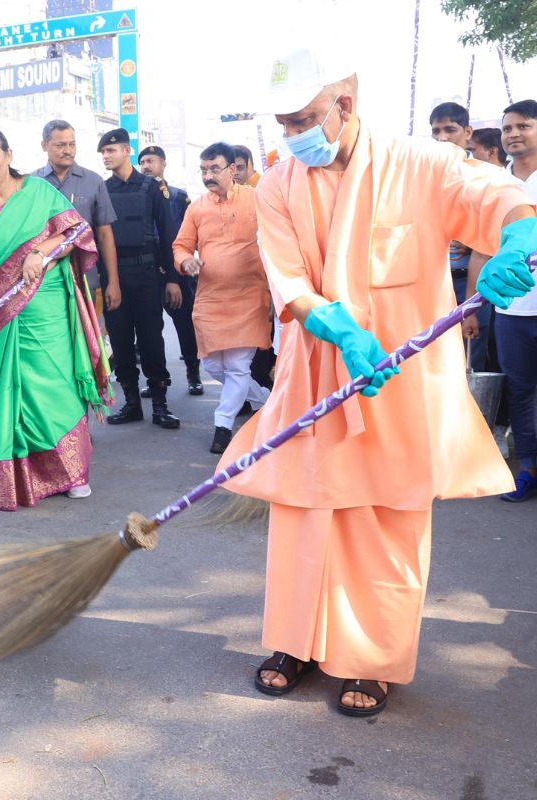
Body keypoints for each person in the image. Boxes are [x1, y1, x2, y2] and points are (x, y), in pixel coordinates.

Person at [224, 46, 534, 717]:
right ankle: (296, 642)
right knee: (302, 513)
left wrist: (518, 238)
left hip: (400, 383)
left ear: (345, 104)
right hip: (316, 374)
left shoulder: (419, 163)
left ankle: (371, 660)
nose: (292, 134)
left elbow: (498, 195)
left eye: (304, 117)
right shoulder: (278, 185)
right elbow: (287, 279)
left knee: (387, 521)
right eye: (283, 122)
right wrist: (336, 328)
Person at [0, 126, 109, 508]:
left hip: (46, 310)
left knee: (53, 388)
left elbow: (76, 233)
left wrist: (41, 251)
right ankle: (7, 474)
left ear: (9, 154)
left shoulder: (39, 192)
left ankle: (70, 472)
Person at [171, 142, 271, 453]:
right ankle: (265, 401)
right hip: (211, 298)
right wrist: (186, 261)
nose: (208, 175)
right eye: (203, 170)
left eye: (215, 169)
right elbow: (181, 246)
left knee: (239, 367)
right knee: (215, 367)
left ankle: (223, 425)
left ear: (232, 169)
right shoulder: (197, 207)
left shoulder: (259, 201)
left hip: (249, 296)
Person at [97, 128, 181, 428]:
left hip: (146, 275)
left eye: (112, 151)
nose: (107, 156)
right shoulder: (102, 190)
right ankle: (132, 404)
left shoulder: (150, 188)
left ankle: (160, 404)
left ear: (126, 151)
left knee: (151, 342)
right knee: (119, 343)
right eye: (103, 153)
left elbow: (170, 234)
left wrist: (172, 278)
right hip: (114, 276)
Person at [32, 120, 121, 321]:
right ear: (45, 146)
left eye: (72, 144)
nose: (68, 150)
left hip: (85, 279)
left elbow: (105, 234)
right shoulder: (32, 183)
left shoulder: (93, 181)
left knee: (87, 344)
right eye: (60, 145)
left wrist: (113, 282)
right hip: (44, 281)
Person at [495, 99, 537, 501]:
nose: (513, 134)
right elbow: (478, 247)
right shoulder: (494, 183)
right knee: (521, 391)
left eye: (523, 126)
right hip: (510, 310)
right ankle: (528, 469)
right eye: (507, 128)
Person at [429, 102, 492, 372]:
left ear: (467, 132)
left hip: (472, 285)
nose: (442, 138)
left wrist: (471, 307)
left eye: (450, 130)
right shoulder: (422, 177)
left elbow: (484, 245)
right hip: (432, 287)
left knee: (470, 366)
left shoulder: (484, 177)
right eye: (436, 131)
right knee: (434, 363)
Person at [137, 144, 203, 395]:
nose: (146, 166)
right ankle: (155, 380)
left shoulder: (177, 196)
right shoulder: (135, 195)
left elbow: (188, 236)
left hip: (174, 270)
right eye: (142, 162)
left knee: (184, 324)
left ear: (163, 164)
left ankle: (193, 373)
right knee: (148, 328)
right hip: (146, 270)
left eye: (151, 161)